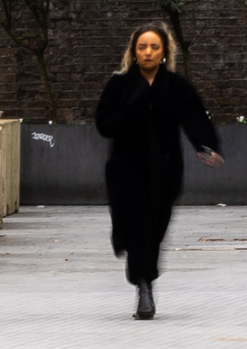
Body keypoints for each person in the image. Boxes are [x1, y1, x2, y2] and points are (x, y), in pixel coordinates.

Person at [92, 23, 221, 321]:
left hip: (165, 171)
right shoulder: (119, 86)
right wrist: (133, 112)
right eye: (142, 47)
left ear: (164, 52)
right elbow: (104, 124)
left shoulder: (175, 86)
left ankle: (143, 274)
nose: (148, 52)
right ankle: (144, 288)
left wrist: (207, 146)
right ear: (133, 52)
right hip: (126, 171)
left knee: (154, 229)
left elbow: (195, 118)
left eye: (154, 47)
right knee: (137, 227)